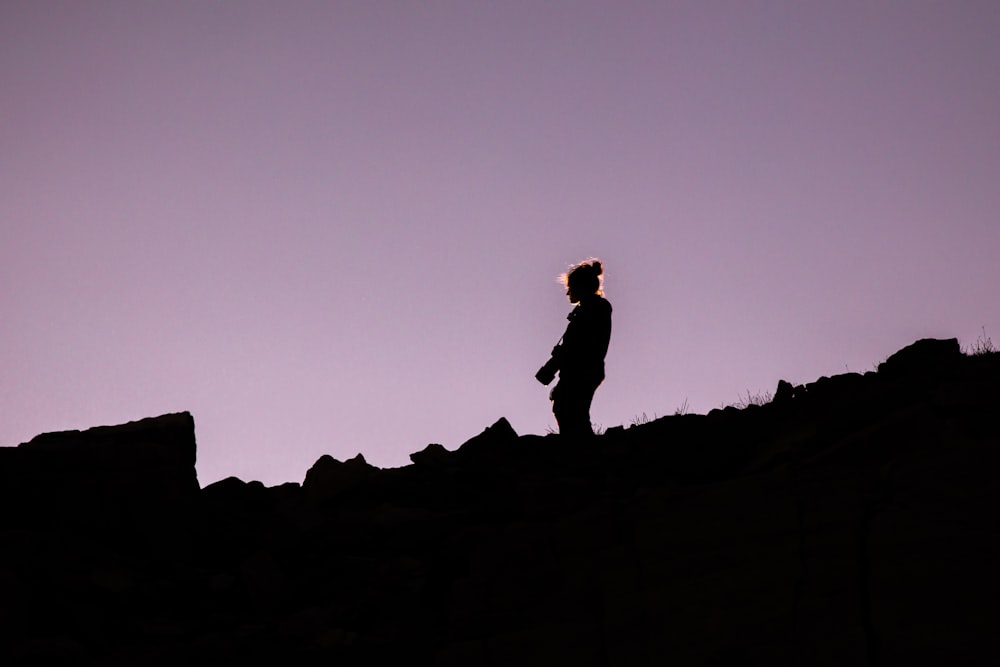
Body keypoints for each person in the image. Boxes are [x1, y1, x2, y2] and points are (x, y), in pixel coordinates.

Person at [535, 258, 612, 437]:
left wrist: (556, 362)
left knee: (571, 413)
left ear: (582, 287)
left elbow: (578, 346)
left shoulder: (593, 309)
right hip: (583, 371)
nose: (568, 292)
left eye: (571, 287)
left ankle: (580, 453)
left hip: (582, 371)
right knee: (568, 411)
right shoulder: (592, 309)